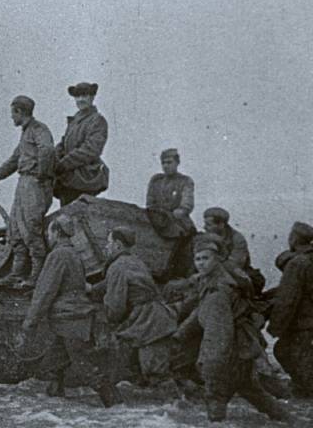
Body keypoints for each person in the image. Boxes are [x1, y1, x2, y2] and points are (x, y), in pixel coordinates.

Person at [176, 239, 291, 423]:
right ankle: (293, 421)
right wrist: (181, 333)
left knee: (215, 398)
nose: (200, 263)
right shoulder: (215, 282)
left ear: (217, 260)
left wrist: (209, 365)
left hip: (227, 354)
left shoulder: (218, 291)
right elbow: (201, 312)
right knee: (253, 392)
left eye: (205, 258)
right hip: (242, 350)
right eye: (197, 259)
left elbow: (217, 334)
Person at [20, 214, 123, 407]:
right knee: (53, 364)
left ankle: (118, 407)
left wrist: (29, 323)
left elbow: (45, 291)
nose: (47, 236)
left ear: (57, 232)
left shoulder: (58, 255)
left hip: (70, 320)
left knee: (85, 367)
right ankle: (55, 404)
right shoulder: (74, 254)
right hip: (72, 319)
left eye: (49, 232)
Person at [0, 95, 55, 288]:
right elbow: (14, 160)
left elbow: (47, 150)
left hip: (34, 184)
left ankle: (36, 275)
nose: (11, 118)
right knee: (16, 229)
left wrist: (42, 174)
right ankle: (16, 273)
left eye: (12, 113)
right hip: (25, 183)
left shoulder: (39, 130)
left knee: (31, 228)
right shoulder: (27, 133)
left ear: (19, 112)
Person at [103, 226, 178, 386]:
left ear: (117, 244)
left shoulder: (117, 266)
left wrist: (109, 319)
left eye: (108, 242)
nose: (106, 246)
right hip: (158, 318)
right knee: (156, 376)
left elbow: (116, 306)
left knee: (157, 378)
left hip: (147, 323)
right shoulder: (136, 261)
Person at [267, 222, 313, 398]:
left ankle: (305, 388)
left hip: (302, 320)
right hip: (307, 319)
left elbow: (288, 298)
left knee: (285, 351)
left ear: (293, 239)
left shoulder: (297, 263)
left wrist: (275, 326)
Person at [53, 82, 109, 206]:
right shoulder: (74, 121)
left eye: (84, 96)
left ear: (92, 97)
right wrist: (55, 157)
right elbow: (63, 143)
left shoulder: (97, 120)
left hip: (84, 178)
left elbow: (91, 149)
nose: (80, 100)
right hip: (68, 178)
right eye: (77, 96)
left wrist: (64, 163)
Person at [146, 148, 196, 282]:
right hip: (158, 219)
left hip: (177, 220)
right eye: (163, 163)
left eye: (169, 162)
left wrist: (181, 210)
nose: (166, 166)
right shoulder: (156, 180)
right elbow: (150, 202)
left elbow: (187, 204)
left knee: (182, 244)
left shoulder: (185, 181)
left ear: (177, 163)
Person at [203, 207, 265, 295]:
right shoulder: (206, 237)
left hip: (234, 271)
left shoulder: (237, 239)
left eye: (209, 225)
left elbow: (235, 263)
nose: (204, 227)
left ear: (221, 225)